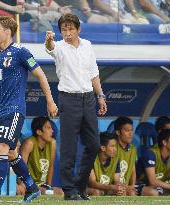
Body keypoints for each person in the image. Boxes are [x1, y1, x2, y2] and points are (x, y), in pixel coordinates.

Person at [0, 16, 58, 203]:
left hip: (14, 110)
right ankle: (32, 188)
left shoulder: (21, 52)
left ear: (7, 32)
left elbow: (41, 75)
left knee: (1, 147)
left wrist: (50, 100)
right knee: (12, 153)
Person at [45, 13, 107, 200]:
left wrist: (101, 96)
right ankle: (69, 190)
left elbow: (93, 73)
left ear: (78, 29)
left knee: (95, 144)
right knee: (69, 148)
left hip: (88, 98)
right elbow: (50, 48)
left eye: (71, 29)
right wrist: (48, 40)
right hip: (68, 99)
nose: (67, 33)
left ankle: (81, 184)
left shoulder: (87, 45)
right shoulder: (59, 47)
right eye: (64, 29)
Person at [20, 116, 63, 196]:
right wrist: (24, 185)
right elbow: (21, 168)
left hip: (42, 185)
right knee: (45, 192)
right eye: (48, 128)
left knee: (60, 192)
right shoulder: (29, 143)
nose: (52, 131)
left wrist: (48, 186)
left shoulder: (52, 143)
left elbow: (51, 166)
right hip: (28, 184)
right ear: (39, 132)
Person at [136, 129, 170, 195]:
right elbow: (152, 181)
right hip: (141, 184)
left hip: (159, 186)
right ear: (164, 142)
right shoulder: (150, 154)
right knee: (153, 193)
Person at [88, 132, 126, 196]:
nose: (115, 149)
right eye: (112, 146)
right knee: (96, 192)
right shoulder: (91, 158)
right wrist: (111, 187)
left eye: (115, 146)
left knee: (121, 192)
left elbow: (116, 180)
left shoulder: (115, 159)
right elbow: (92, 183)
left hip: (105, 189)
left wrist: (118, 187)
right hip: (88, 189)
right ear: (103, 148)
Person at [114, 116, 137, 195]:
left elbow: (133, 170)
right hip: (114, 186)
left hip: (127, 187)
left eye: (132, 130)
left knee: (132, 193)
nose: (131, 134)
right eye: (127, 130)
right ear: (118, 132)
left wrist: (132, 186)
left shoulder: (133, 148)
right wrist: (124, 187)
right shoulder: (112, 148)